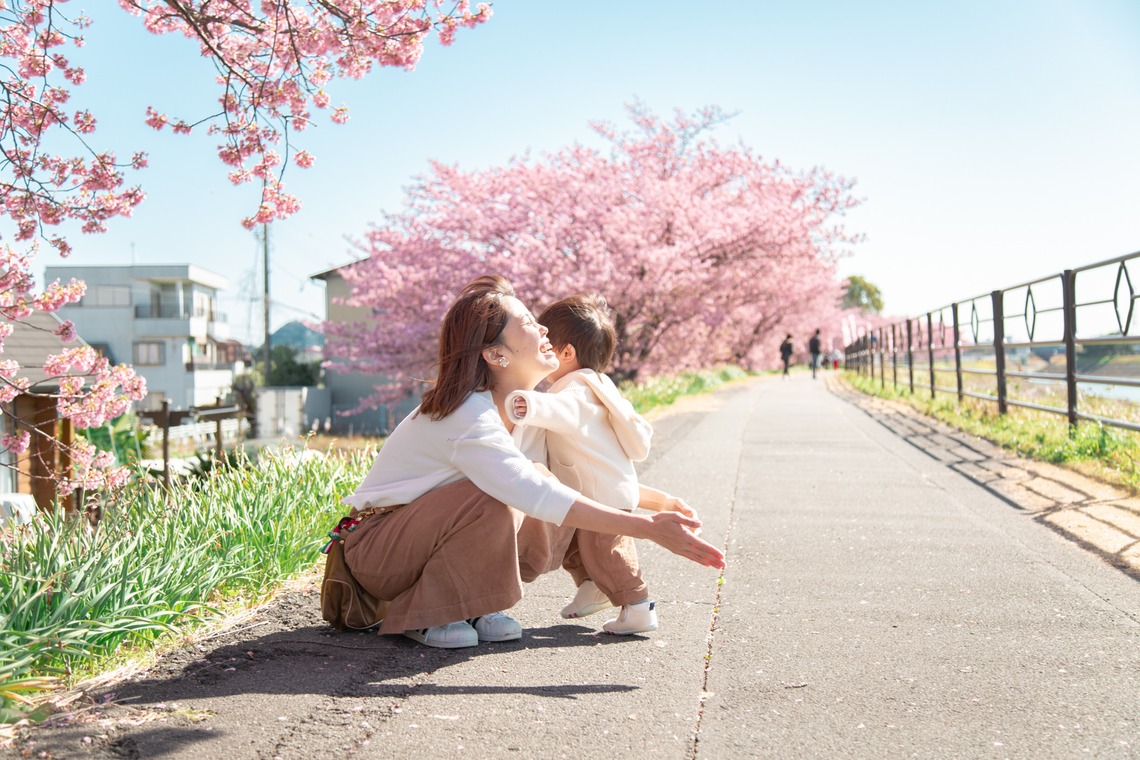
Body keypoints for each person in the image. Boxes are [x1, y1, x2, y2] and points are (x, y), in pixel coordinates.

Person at [337, 275, 725, 649]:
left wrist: (656, 503)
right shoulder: (468, 414)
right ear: (495, 355)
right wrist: (648, 528)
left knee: (547, 479)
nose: (543, 330)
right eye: (527, 323)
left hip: (426, 538)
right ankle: (428, 612)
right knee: (495, 492)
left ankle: (473, 602)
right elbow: (527, 489)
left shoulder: (525, 412)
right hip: (377, 552)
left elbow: (561, 480)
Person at [506, 293, 695, 635]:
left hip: (602, 498)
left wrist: (528, 404)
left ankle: (638, 606)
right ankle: (593, 587)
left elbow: (565, 411)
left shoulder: (575, 388)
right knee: (579, 548)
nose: (543, 349)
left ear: (567, 353)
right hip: (602, 492)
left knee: (609, 555)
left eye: (548, 344)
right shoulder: (599, 386)